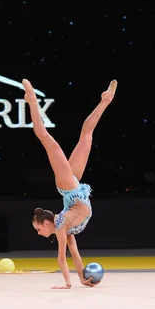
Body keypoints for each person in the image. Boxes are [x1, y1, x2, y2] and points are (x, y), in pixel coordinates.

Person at [23, 78, 117, 289]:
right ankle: (105, 100)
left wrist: (68, 284)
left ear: (46, 223)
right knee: (86, 135)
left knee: (46, 139)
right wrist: (82, 278)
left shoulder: (60, 225)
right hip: (75, 189)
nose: (39, 234)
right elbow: (74, 254)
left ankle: (31, 100)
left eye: (38, 230)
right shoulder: (63, 228)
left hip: (69, 188)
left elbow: (61, 259)